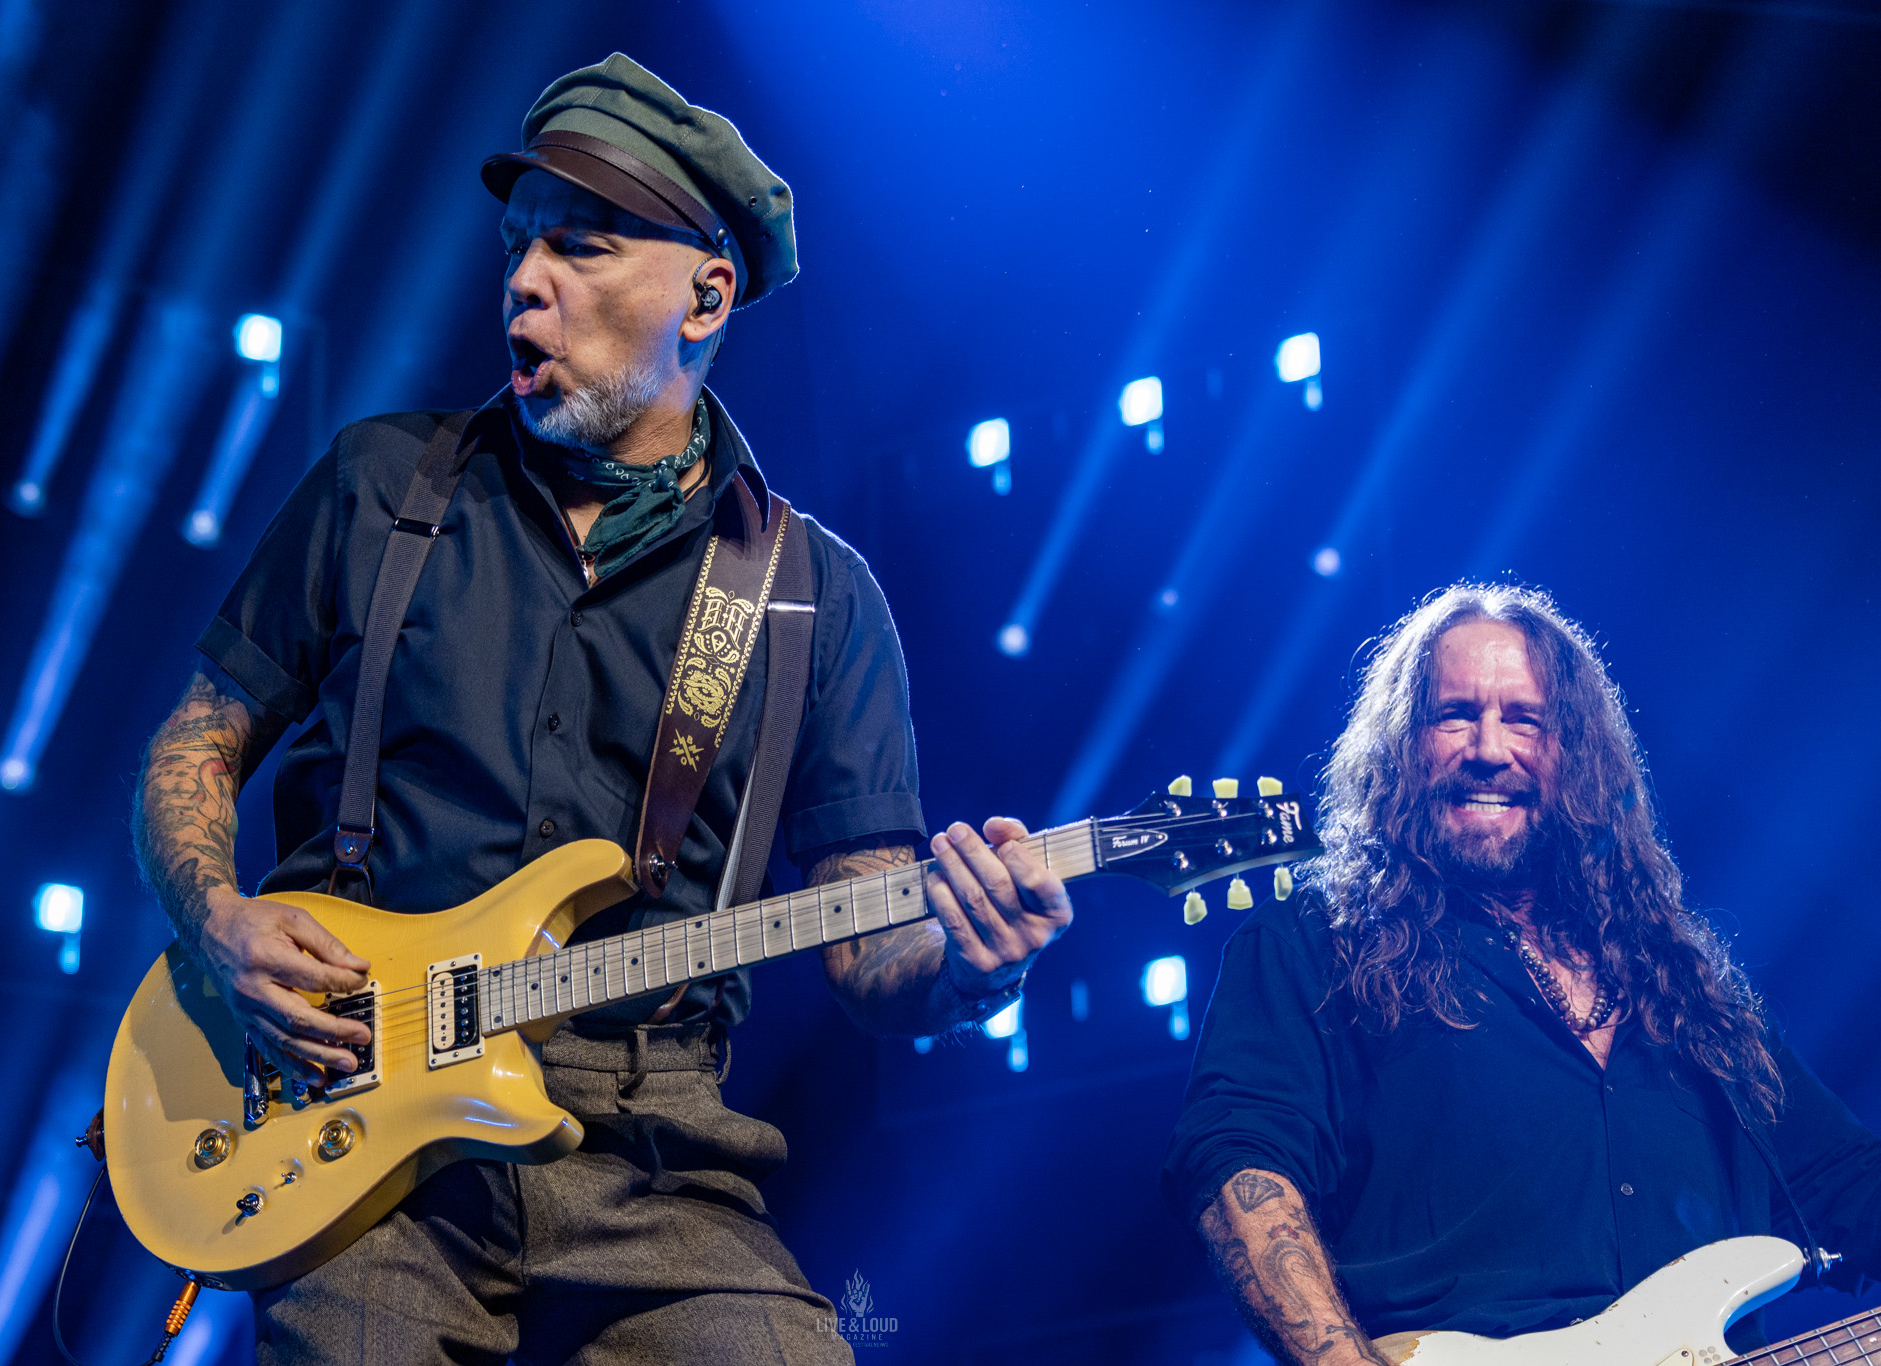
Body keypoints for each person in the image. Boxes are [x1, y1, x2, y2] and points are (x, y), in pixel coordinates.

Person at [132, 54, 1072, 1366]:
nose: (524, 282)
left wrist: (979, 966)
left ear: (707, 291)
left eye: (577, 248)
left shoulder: (814, 595)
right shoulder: (379, 487)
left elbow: (871, 946)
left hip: (658, 1158)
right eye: (519, 248)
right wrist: (219, 920)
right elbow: (199, 734)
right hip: (360, 1126)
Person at [1162, 584, 1881, 1364]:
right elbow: (1240, 1165)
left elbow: (1843, 1183)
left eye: (1525, 719)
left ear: (1577, 753)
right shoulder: (1313, 946)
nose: (1489, 749)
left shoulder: (1684, 987)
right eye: (1455, 714)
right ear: (1402, 744)